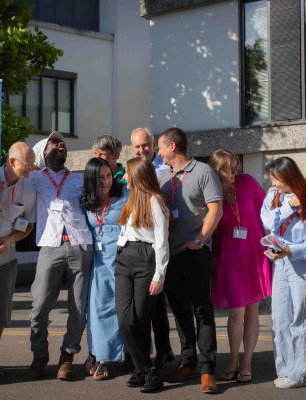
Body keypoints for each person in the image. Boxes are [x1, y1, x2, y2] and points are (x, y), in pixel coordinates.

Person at [157, 127, 223, 394]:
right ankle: (188, 364)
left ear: (172, 146)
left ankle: (207, 370)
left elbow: (216, 210)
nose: (158, 152)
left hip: (195, 253)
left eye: (160, 147)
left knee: (202, 312)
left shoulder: (204, 172)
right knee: (180, 312)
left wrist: (199, 241)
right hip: (171, 255)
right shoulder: (163, 176)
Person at [27, 131, 94, 380]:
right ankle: (39, 355)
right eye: (54, 142)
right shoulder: (33, 178)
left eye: (63, 142)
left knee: (78, 308)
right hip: (50, 246)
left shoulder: (79, 178)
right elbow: (13, 176)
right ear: (44, 151)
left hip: (80, 245)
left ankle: (67, 357)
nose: (60, 144)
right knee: (39, 307)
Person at [260, 156, 306, 389]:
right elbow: (267, 221)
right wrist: (288, 206)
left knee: (300, 321)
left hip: (302, 267)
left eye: (275, 178)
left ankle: (301, 375)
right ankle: (285, 370)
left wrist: (291, 250)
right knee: (279, 321)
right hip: (280, 264)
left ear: (288, 176)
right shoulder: (274, 195)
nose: (273, 183)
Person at [208, 149, 272, 384]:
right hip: (228, 258)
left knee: (252, 311)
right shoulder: (212, 191)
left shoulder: (248, 182)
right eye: (229, 169)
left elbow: (268, 210)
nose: (234, 173)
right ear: (217, 170)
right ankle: (233, 360)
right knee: (236, 312)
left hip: (254, 254)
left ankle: (247, 363)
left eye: (236, 167)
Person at [115, 157, 171, 393]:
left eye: (127, 173)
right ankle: (146, 369)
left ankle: (145, 371)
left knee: (138, 319)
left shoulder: (155, 200)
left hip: (145, 259)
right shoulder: (132, 199)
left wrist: (159, 275)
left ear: (137, 175)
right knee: (124, 319)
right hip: (124, 258)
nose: (124, 177)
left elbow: (162, 241)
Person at [80, 157, 129, 380]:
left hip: (124, 261)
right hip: (99, 264)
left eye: (108, 175)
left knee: (126, 311)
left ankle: (132, 353)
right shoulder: (87, 200)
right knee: (99, 312)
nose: (106, 181)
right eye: (100, 178)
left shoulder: (125, 195)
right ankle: (101, 358)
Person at [130, 127, 174, 370]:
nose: (141, 150)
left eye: (145, 145)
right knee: (148, 306)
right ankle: (144, 355)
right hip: (143, 247)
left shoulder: (166, 169)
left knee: (159, 305)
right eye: (137, 146)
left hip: (164, 242)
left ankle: (164, 351)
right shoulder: (130, 171)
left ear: (154, 145)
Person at [0, 142, 37, 378]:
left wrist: (11, 240)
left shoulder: (28, 190)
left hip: (6, 256)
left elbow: (27, 225)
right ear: (12, 162)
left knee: (1, 309)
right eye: (27, 165)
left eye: (33, 165)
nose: (31, 170)